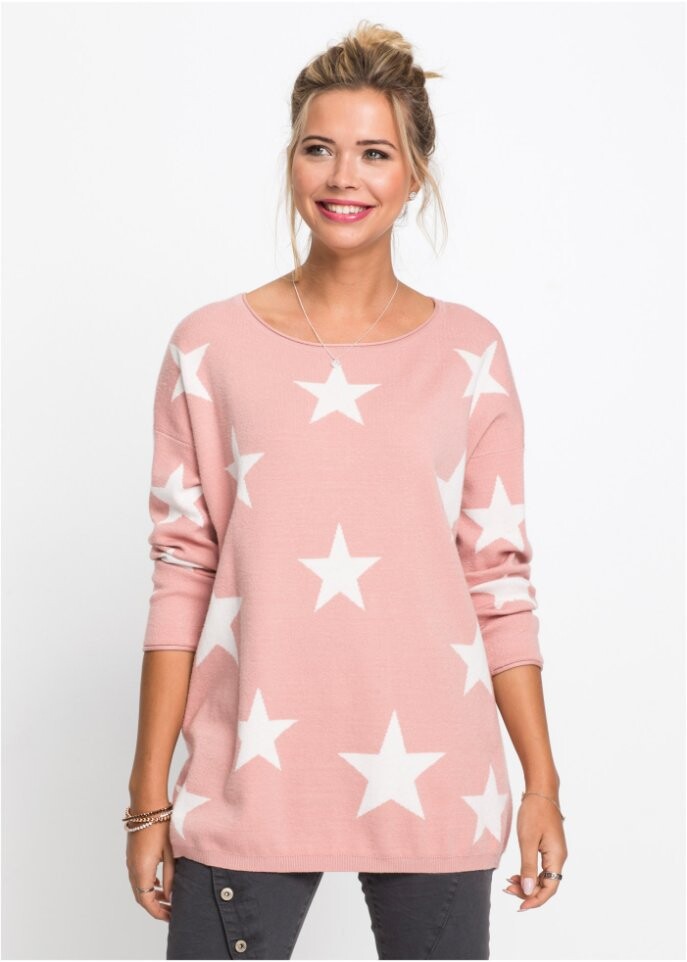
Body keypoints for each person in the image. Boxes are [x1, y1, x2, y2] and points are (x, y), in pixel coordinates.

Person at [125, 20, 567, 961]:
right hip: (246, 780)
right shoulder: (209, 347)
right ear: (290, 161)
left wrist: (540, 783)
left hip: (437, 777)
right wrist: (146, 799)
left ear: (414, 175)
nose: (342, 176)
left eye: (375, 152)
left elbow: (496, 578)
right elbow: (182, 573)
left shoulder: (468, 353)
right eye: (318, 148)